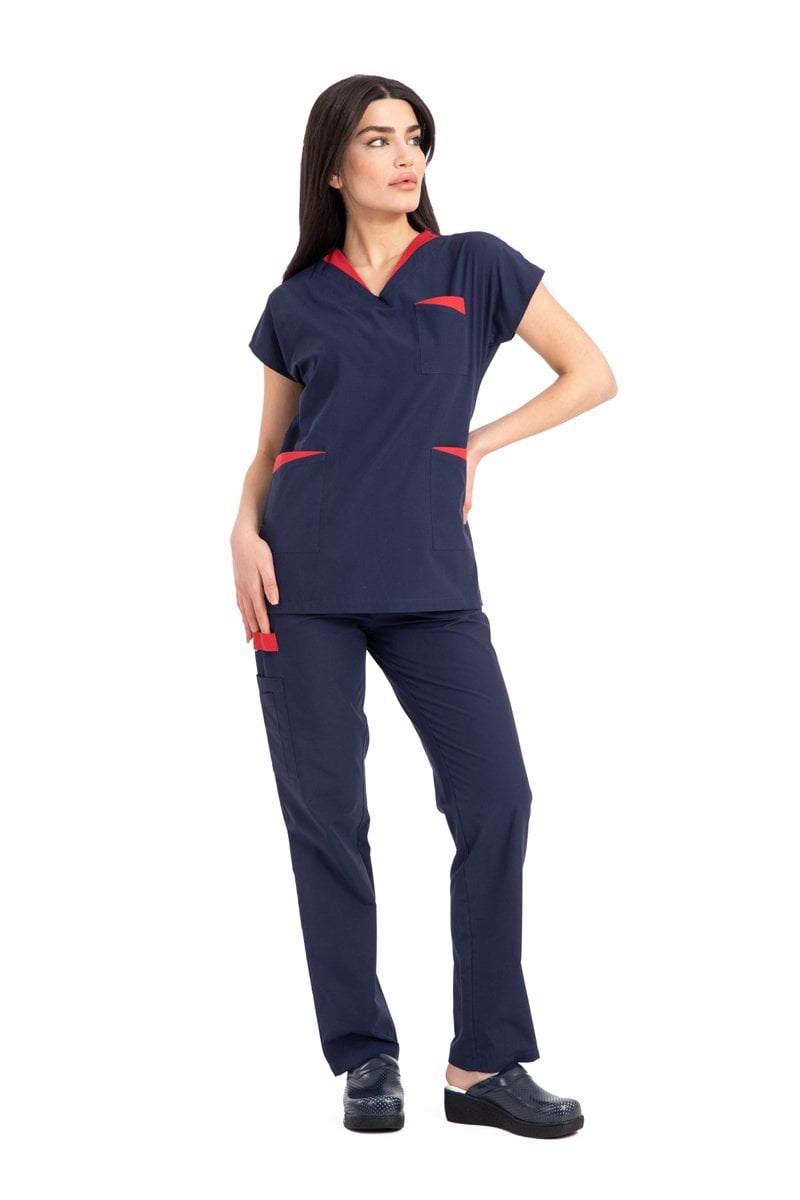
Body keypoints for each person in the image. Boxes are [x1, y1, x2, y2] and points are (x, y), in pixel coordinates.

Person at [230, 73, 616, 1138]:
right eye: (377, 139)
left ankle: (481, 1063)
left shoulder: (472, 266)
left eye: (415, 138)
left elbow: (589, 372)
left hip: (430, 583)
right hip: (300, 583)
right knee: (327, 817)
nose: (405, 157)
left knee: (496, 798)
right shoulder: (295, 302)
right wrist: (240, 528)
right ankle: (365, 1058)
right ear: (332, 165)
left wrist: (477, 444)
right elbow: (270, 448)